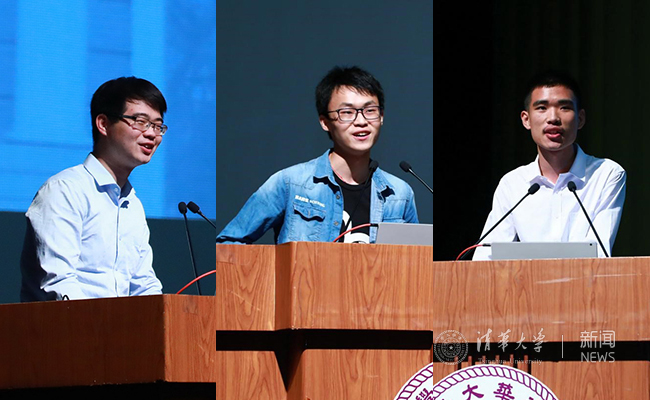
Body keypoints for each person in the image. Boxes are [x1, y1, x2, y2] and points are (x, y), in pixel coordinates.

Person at [216, 66, 419, 244]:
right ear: (325, 122)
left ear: (381, 117)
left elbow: (416, 263)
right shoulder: (291, 183)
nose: (361, 121)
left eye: (370, 110)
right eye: (347, 112)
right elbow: (229, 244)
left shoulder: (399, 194)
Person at [20, 77, 167, 301]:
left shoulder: (132, 205)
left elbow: (143, 284)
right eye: (140, 121)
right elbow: (58, 282)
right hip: (67, 323)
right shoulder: (65, 190)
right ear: (103, 124)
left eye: (157, 126)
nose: (152, 134)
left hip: (121, 324)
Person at [473, 71, 626, 260]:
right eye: (542, 108)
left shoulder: (606, 174)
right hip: (526, 280)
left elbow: (599, 254)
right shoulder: (512, 184)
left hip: (585, 279)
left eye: (564, 107)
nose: (553, 118)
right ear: (526, 120)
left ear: (580, 119)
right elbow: (485, 257)